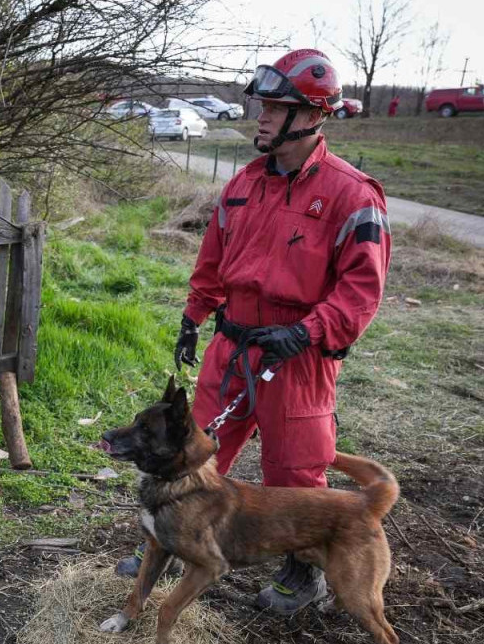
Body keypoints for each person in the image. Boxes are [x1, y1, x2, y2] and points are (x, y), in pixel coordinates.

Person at [121, 49, 393, 614]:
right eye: (263, 106)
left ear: (312, 115)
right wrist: (194, 317)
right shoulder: (244, 183)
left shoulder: (352, 195)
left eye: (277, 107)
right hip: (233, 343)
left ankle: (304, 571)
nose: (262, 117)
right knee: (194, 452)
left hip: (298, 356)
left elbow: (361, 289)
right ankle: (167, 542)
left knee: (296, 468)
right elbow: (213, 259)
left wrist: (309, 331)